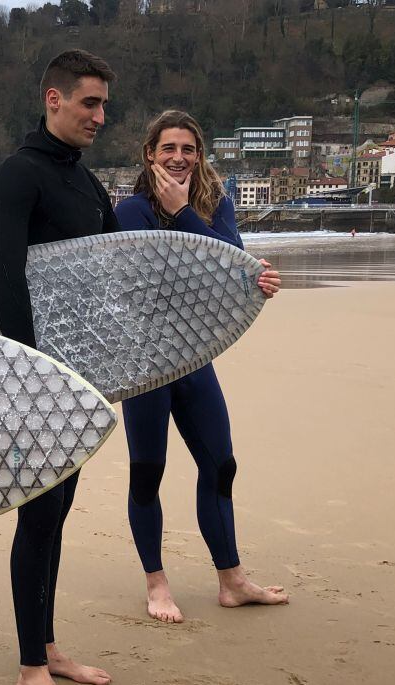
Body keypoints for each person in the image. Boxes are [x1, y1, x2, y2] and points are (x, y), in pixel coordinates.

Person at [114, 109, 289, 624]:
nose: (178, 157)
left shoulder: (215, 205)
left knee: (220, 465)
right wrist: (193, 239)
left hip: (194, 358)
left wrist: (188, 212)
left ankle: (231, 581)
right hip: (145, 363)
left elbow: (233, 268)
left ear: (200, 156)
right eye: (168, 148)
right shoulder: (131, 212)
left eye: (188, 149)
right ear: (150, 155)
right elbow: (145, 283)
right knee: (149, 473)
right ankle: (156, 583)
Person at [0, 49, 118, 685]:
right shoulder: (20, 174)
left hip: (80, 377)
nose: (101, 115)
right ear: (54, 100)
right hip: (41, 378)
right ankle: (32, 672)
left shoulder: (84, 182)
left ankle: (47, 644)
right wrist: (32, 372)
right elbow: (5, 277)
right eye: (89, 103)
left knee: (58, 511)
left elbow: (118, 264)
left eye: (103, 104)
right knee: (38, 515)